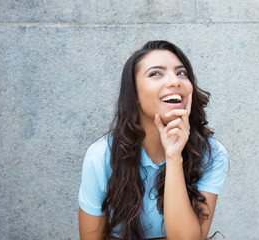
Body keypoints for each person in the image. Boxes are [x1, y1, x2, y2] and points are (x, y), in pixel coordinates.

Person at [78, 40, 228, 240]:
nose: (174, 81)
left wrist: (174, 157)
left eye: (181, 73)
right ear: (135, 95)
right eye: (155, 73)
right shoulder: (101, 156)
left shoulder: (210, 154)